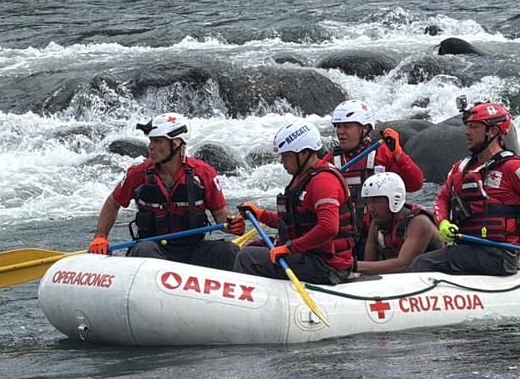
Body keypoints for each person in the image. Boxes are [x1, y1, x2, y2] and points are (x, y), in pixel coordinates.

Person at [410, 102, 520, 276]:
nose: (467, 132)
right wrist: (443, 223)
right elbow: (442, 199)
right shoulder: (461, 168)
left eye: (474, 127)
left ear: (493, 132)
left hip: (500, 254)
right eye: (468, 127)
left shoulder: (515, 168)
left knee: (423, 264)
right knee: (426, 254)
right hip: (467, 248)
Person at [89, 112, 239, 270]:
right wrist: (101, 236)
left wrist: (233, 225)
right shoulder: (138, 173)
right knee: (143, 249)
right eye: (151, 141)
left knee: (228, 252)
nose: (151, 147)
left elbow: (221, 216)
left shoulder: (204, 173)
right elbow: (113, 203)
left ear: (176, 143)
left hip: (193, 249)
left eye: (158, 141)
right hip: (155, 250)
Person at [231, 121, 355, 285]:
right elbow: (294, 222)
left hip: (327, 266)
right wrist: (260, 215)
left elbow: (328, 228)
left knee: (247, 258)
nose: (283, 163)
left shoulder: (323, 181)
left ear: (304, 153)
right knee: (251, 247)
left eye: (286, 156)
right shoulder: (303, 177)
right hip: (311, 256)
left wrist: (290, 248)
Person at [329, 99, 425, 253]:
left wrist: (399, 154)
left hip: (376, 232)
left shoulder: (382, 154)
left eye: (347, 126)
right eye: (338, 126)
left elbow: (415, 184)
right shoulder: (330, 162)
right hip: (344, 234)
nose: (341, 132)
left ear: (365, 129)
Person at [355, 172, 442, 275]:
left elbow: (403, 265)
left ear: (394, 199)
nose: (370, 209)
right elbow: (369, 264)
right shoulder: (376, 224)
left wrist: (353, 266)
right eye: (368, 202)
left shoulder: (420, 223)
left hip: (432, 279)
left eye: (376, 202)